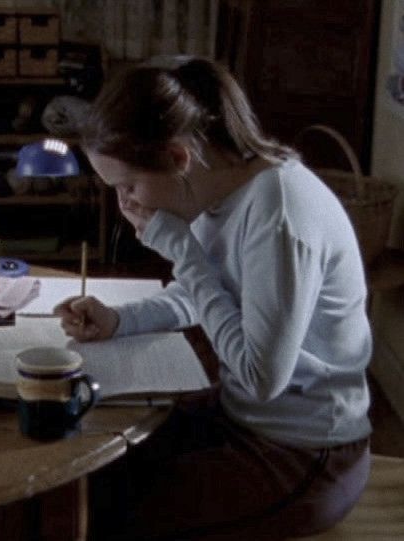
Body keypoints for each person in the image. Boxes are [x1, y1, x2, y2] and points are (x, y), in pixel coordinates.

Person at [54, 57, 372, 540]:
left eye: (128, 186)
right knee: (82, 467)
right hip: (243, 420)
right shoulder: (215, 190)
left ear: (179, 158)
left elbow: (260, 377)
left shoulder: (278, 216)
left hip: (306, 453)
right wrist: (118, 320)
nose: (127, 205)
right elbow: (202, 295)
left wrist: (184, 251)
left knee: (105, 512)